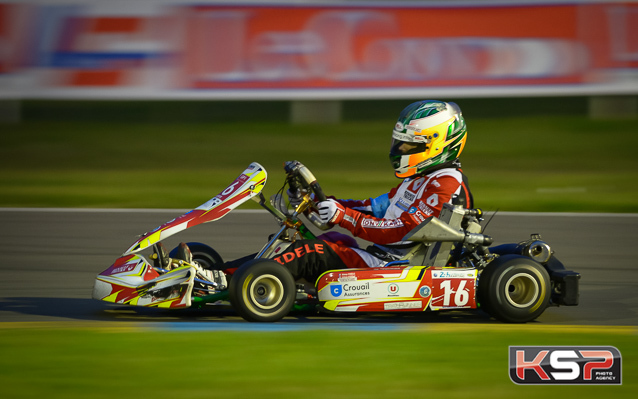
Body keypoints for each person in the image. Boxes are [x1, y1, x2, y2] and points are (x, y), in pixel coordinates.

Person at [230, 100, 473, 283]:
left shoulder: (446, 184)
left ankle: (234, 280)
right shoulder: (421, 177)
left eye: (409, 145)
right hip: (385, 257)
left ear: (439, 145)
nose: (400, 149)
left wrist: (344, 217)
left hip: (400, 267)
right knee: (334, 240)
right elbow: (373, 208)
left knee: (312, 252)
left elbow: (403, 229)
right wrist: (316, 203)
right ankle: (223, 271)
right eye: (399, 142)